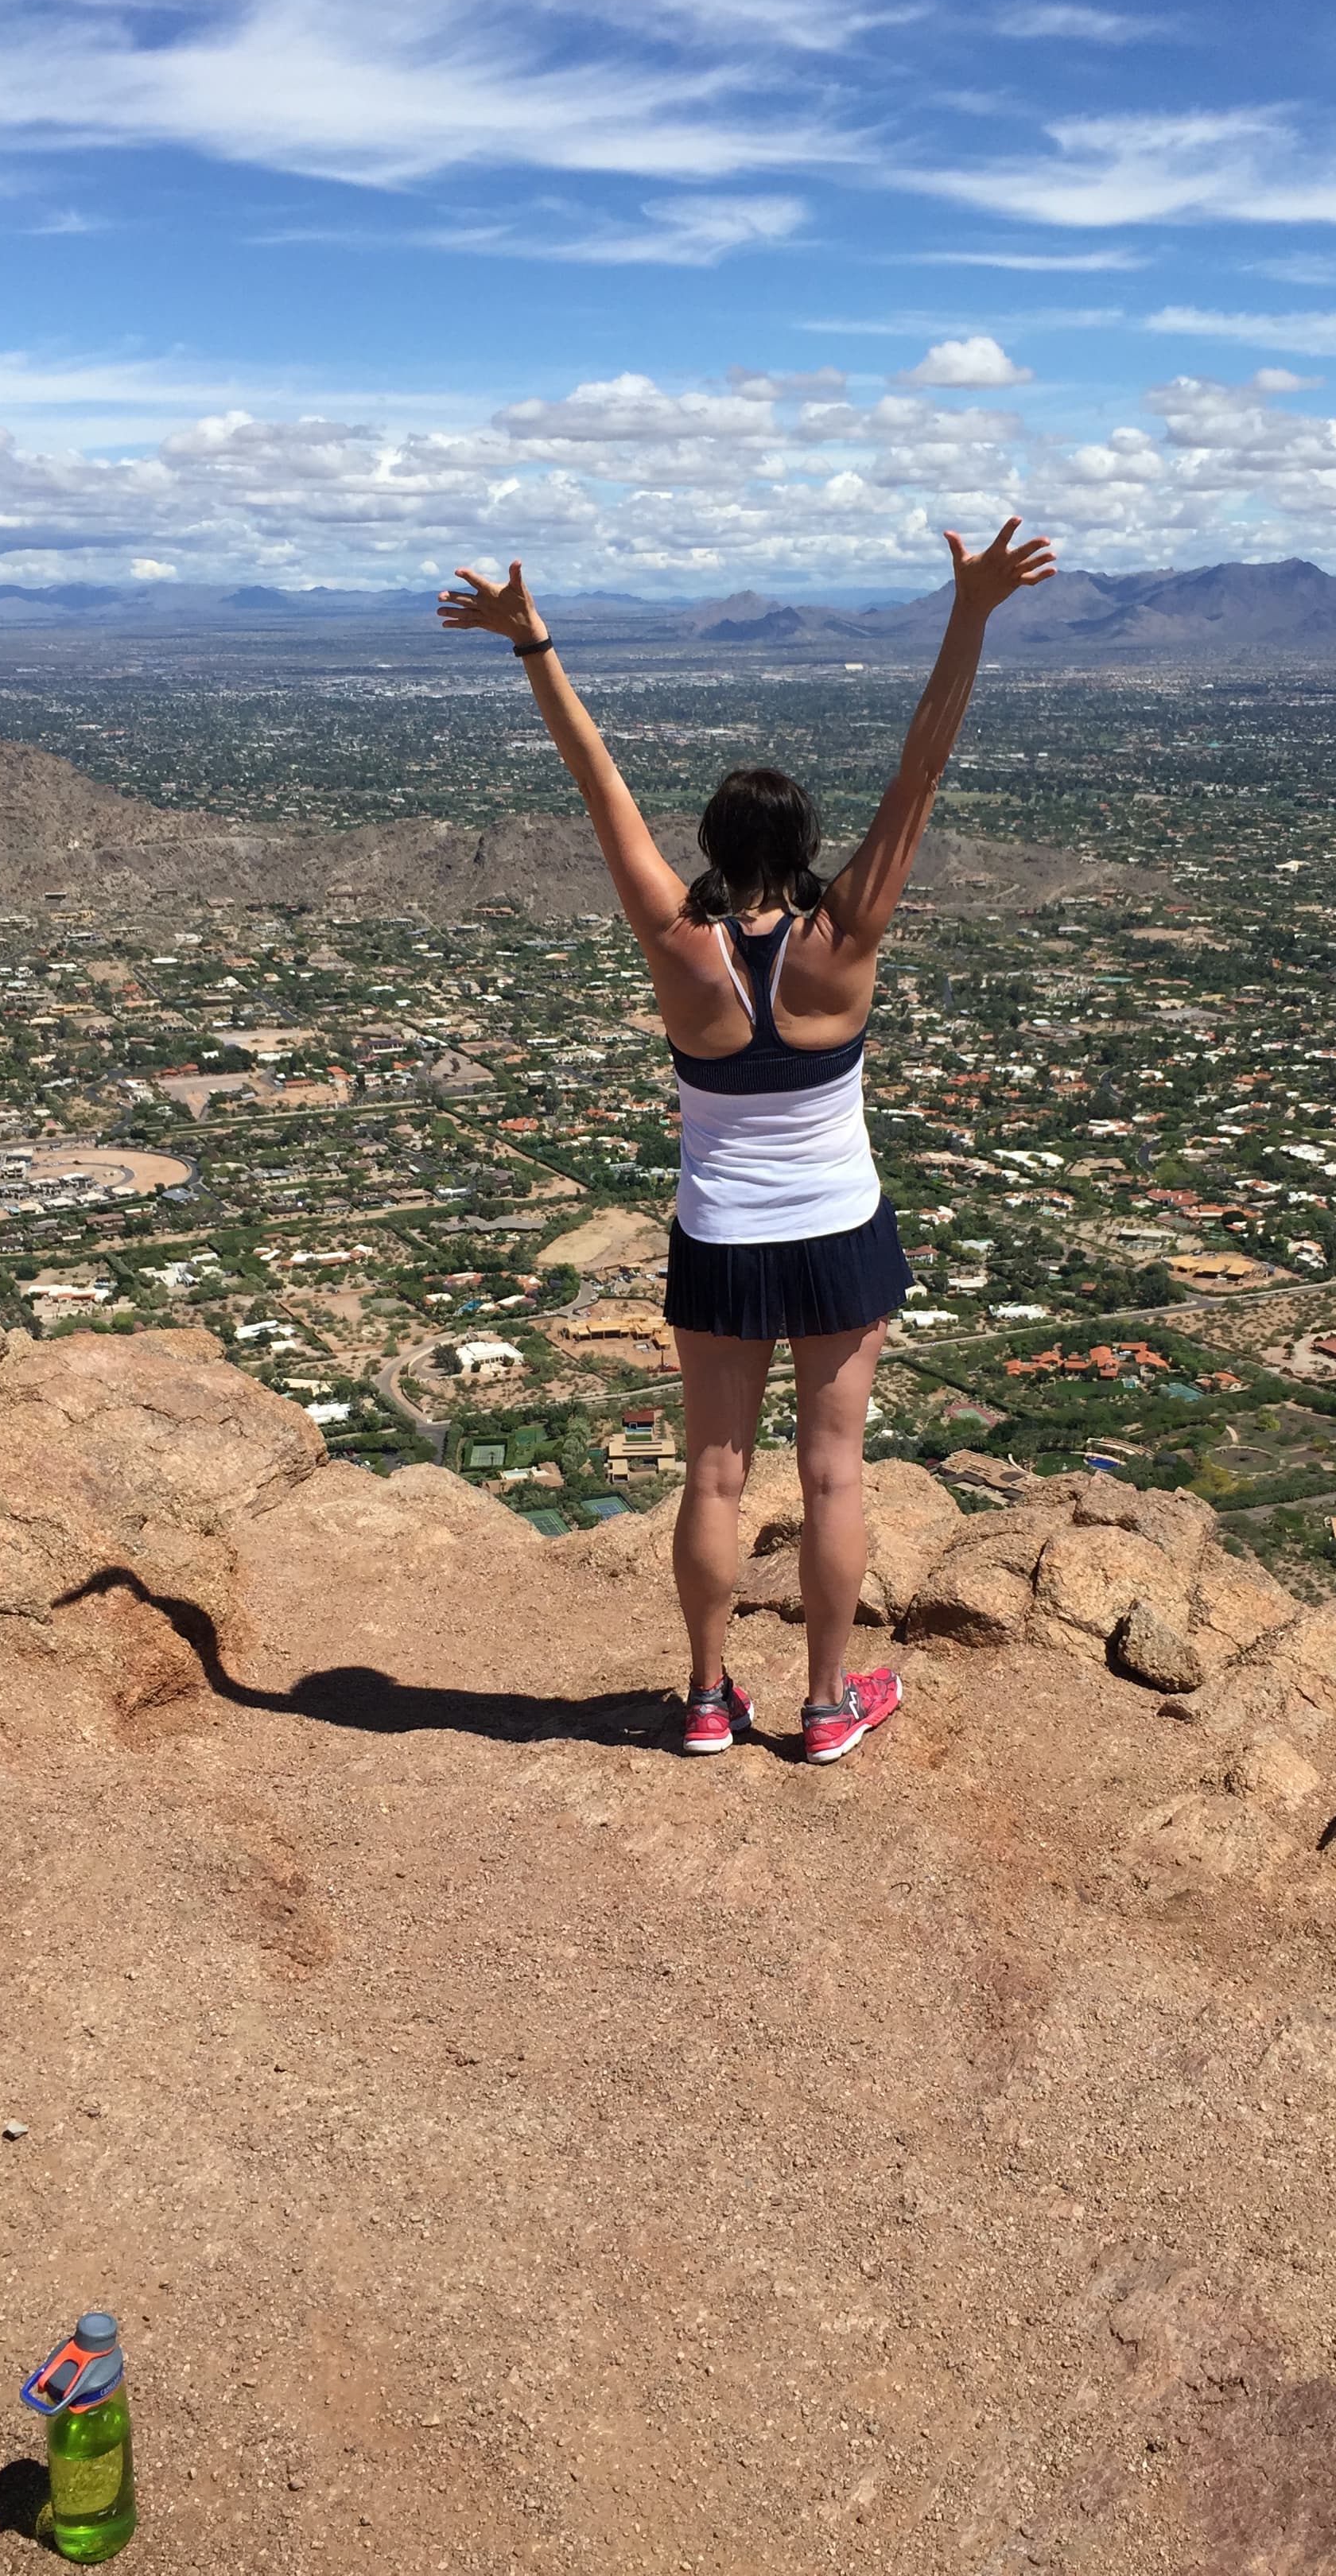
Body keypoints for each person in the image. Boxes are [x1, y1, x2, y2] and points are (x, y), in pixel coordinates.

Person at [439, 516, 1055, 1764]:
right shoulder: (847, 939)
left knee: (712, 1477)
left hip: (720, 1238)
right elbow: (920, 772)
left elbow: (597, 779)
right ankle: (829, 1708)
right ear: (809, 848)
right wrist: (971, 613)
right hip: (836, 1234)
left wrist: (533, 644)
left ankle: (710, 1700)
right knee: (835, 1475)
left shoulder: (678, 942)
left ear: (713, 853)